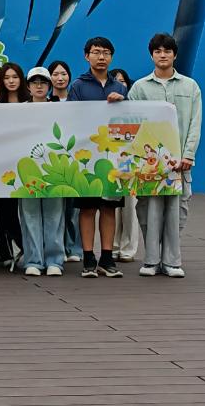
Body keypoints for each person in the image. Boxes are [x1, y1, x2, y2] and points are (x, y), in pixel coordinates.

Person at [128, 33, 202, 278]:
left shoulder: (190, 86)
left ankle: (172, 262)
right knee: (148, 211)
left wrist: (188, 155)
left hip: (179, 164)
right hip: (150, 165)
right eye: (158, 51)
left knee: (176, 212)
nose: (162, 55)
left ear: (174, 55)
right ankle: (151, 261)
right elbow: (132, 124)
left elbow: (195, 123)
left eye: (167, 51)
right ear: (151, 55)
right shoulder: (140, 88)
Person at [67, 36, 128, 278]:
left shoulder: (120, 87)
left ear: (111, 57)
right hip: (86, 157)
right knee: (88, 208)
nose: (101, 57)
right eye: (96, 52)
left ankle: (107, 258)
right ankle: (88, 258)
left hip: (113, 158)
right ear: (87, 56)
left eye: (106, 53)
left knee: (109, 207)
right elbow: (71, 119)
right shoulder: (78, 86)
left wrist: (122, 102)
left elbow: (129, 121)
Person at [20, 67, 65, 277]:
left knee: (54, 214)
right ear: (28, 86)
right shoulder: (17, 111)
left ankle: (55, 260)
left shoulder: (60, 109)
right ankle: (33, 260)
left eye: (43, 82)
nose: (39, 86)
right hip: (27, 170)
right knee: (29, 215)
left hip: (54, 169)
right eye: (34, 82)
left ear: (49, 86)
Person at [0, 63, 27, 265]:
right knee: (4, 209)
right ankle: (6, 252)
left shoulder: (31, 103)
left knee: (24, 210)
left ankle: (25, 248)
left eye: (15, 77)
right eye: (6, 78)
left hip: (27, 165)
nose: (11, 81)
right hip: (2, 166)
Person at [47, 60, 79, 261]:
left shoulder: (77, 101)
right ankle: (58, 246)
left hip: (74, 159)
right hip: (52, 161)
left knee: (73, 208)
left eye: (64, 74)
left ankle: (73, 248)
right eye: (55, 74)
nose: (60, 78)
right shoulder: (45, 102)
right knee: (56, 209)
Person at [109, 67, 141, 263]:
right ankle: (112, 246)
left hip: (131, 161)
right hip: (110, 162)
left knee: (130, 207)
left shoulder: (134, 107)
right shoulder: (103, 106)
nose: (119, 84)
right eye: (115, 81)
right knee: (111, 206)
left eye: (123, 81)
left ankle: (128, 248)